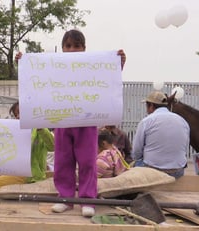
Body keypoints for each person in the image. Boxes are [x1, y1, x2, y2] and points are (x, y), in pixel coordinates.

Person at [15, 29, 126, 217]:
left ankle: (87, 199)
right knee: (63, 160)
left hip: (87, 122)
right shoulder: (56, 67)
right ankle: (65, 197)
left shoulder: (92, 65)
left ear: (84, 48)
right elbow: (38, 78)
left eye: (76, 45)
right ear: (63, 48)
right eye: (68, 46)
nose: (72, 49)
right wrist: (24, 64)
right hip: (62, 121)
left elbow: (106, 79)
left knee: (87, 161)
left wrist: (118, 63)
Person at [0, 102, 55, 219]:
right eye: (16, 114)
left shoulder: (39, 130)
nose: (18, 116)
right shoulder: (14, 129)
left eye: (21, 113)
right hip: (16, 173)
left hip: (31, 176)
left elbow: (53, 146)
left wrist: (41, 128)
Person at [131, 91, 190, 178]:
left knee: (133, 165)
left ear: (151, 105)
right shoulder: (182, 121)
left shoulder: (146, 121)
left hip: (152, 171)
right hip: (177, 171)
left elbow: (136, 152)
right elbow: (185, 147)